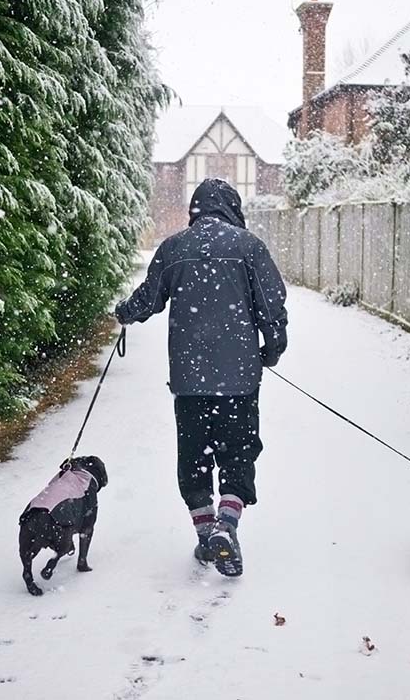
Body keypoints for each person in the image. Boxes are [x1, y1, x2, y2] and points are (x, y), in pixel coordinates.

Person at [115, 178, 288, 578]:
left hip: (189, 380)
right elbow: (272, 306)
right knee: (238, 452)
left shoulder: (174, 248)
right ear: (232, 208)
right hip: (239, 380)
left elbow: (148, 298)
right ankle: (226, 525)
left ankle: (206, 528)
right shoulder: (249, 247)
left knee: (193, 458)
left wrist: (124, 313)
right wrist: (272, 350)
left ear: (196, 209)